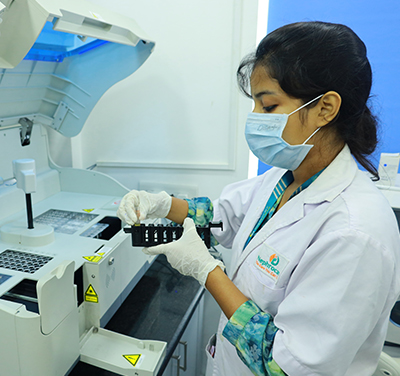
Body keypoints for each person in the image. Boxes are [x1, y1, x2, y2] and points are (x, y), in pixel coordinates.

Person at [117, 21, 400, 376]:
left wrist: (207, 271)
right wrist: (161, 204)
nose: (255, 119)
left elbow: (288, 364)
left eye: (268, 107)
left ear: (325, 108)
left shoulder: (355, 232)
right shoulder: (286, 180)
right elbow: (223, 216)